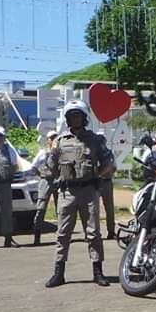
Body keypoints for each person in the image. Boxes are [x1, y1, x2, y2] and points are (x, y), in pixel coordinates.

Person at [44, 101, 115, 288]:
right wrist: (57, 178)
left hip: (89, 191)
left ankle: (98, 271)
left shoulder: (95, 140)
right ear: (67, 118)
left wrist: (98, 175)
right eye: (72, 115)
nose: (75, 118)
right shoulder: (59, 141)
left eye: (78, 115)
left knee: (93, 233)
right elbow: (50, 165)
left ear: (84, 118)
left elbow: (110, 163)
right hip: (67, 192)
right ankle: (58, 273)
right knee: (63, 233)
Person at [30, 130, 59, 246]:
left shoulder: (60, 152)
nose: (53, 140)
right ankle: (37, 235)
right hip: (45, 181)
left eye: (55, 138)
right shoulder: (43, 153)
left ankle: (61, 235)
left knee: (61, 210)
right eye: (51, 138)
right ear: (48, 140)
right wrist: (41, 176)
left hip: (58, 181)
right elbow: (33, 167)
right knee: (41, 208)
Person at [96, 130, 117, 240]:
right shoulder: (92, 152)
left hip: (106, 182)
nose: (100, 140)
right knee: (93, 209)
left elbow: (113, 167)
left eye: (102, 138)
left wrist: (103, 173)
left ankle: (111, 231)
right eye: (98, 138)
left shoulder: (109, 153)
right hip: (95, 182)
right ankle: (93, 232)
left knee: (109, 208)